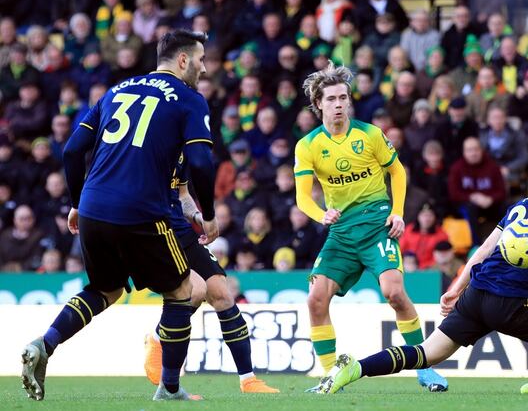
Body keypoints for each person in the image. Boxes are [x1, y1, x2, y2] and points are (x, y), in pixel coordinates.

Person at [315, 144, 528, 394]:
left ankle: (355, 368)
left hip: (476, 294)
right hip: (511, 302)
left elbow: (485, 248)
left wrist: (456, 288)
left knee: (427, 353)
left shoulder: (526, 202)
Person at [20, 29, 218, 402]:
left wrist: (78, 202)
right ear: (182, 60)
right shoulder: (190, 99)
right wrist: (207, 212)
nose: (204, 69)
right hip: (142, 210)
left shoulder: (117, 90)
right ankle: (170, 388)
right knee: (183, 291)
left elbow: (71, 151)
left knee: (104, 289)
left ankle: (45, 343)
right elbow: (202, 162)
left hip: (94, 207)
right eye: (201, 60)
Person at [294, 61, 448, 392]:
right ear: (318, 103)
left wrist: (398, 212)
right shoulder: (307, 146)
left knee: (394, 293)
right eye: (331, 98)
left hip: (378, 225)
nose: (338, 104)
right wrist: (320, 214)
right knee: (315, 299)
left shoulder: (370, 134)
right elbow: (303, 198)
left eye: (343, 98)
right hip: (341, 232)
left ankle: (424, 366)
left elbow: (398, 172)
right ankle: (329, 376)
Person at [142, 152, 279, 393]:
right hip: (157, 232)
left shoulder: (182, 153)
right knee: (195, 292)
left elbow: (183, 195)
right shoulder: (147, 149)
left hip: (183, 230)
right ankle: (156, 339)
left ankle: (248, 380)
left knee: (222, 294)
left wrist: (197, 217)